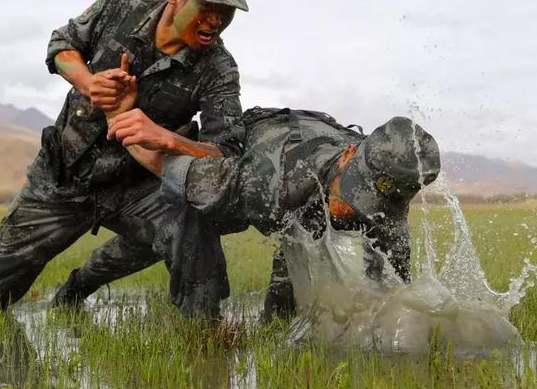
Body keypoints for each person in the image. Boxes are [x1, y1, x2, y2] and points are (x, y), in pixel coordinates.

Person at [0, 0, 251, 318]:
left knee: (192, 228)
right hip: (61, 179)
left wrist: (165, 139)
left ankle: (206, 344)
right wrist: (88, 83)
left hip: (137, 189)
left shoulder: (219, 69)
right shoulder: (122, 6)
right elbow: (61, 44)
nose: (216, 19)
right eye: (207, 3)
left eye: (228, 9)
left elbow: (226, 151)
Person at [115, 106, 441, 320]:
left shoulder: (389, 191)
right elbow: (174, 168)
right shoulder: (271, 178)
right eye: (351, 194)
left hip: (318, 146)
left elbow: (397, 280)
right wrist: (124, 122)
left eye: (369, 205)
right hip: (260, 141)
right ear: (348, 157)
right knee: (191, 220)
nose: (349, 210)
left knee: (311, 247)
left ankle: (277, 320)